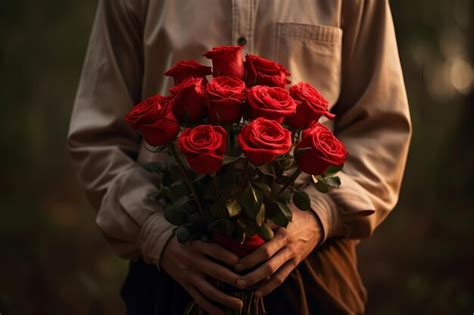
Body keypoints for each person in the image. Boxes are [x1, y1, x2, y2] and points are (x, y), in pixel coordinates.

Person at [67, 0, 412, 314]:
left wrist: (320, 215)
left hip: (313, 269)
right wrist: (157, 232)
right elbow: (99, 138)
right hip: (173, 272)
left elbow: (382, 130)